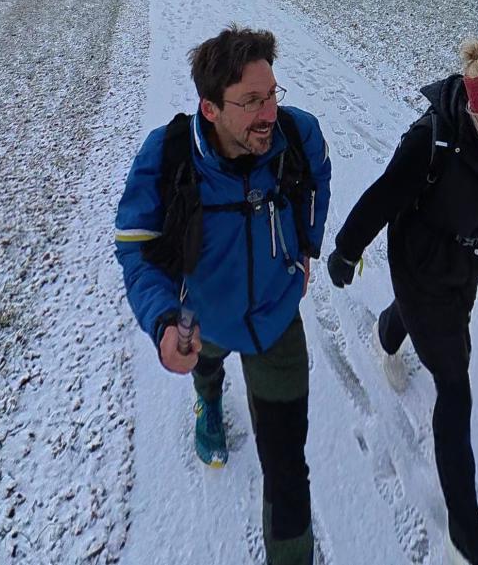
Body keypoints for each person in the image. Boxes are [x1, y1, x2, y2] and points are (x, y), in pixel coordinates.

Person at [326, 39, 478, 565]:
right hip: (418, 262)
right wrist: (346, 250)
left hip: (467, 265)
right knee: (454, 386)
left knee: (430, 324)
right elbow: (385, 195)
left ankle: (388, 332)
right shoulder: (432, 140)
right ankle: (464, 534)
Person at [114, 28, 334, 565]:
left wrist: (306, 248)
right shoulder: (168, 156)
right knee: (206, 364)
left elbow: (318, 183)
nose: (269, 113)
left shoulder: (297, 135)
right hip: (202, 314)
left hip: (275, 319)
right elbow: (136, 248)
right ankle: (208, 402)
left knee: (286, 468)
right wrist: (163, 321)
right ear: (209, 109)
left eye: (272, 93)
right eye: (251, 101)